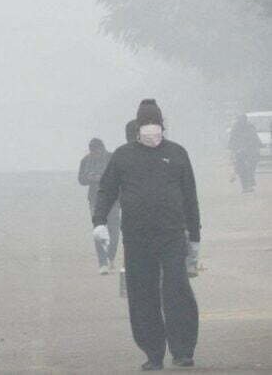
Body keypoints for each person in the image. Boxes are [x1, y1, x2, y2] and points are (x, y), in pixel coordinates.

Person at [93, 99, 200, 371]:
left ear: (163, 127)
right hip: (136, 237)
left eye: (156, 124)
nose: (151, 130)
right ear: (137, 128)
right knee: (142, 296)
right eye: (146, 125)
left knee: (177, 290)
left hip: (172, 235)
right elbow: (106, 190)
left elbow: (190, 196)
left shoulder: (177, 153)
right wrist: (99, 222)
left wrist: (195, 236)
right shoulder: (123, 156)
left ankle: (183, 350)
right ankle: (153, 353)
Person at [78, 138, 120, 274]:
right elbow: (81, 180)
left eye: (96, 151)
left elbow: (120, 176)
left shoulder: (113, 158)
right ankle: (102, 263)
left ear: (102, 149)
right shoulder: (85, 161)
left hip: (113, 199)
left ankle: (111, 256)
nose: (94, 154)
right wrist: (90, 178)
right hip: (95, 200)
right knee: (98, 230)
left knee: (114, 231)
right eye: (92, 151)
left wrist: (103, 178)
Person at [228, 114, 261, 193]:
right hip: (240, 152)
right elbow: (232, 140)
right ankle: (246, 186)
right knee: (242, 169)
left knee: (251, 167)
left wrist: (258, 144)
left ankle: (249, 182)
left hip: (250, 151)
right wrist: (234, 148)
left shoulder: (250, 126)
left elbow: (255, 137)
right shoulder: (235, 128)